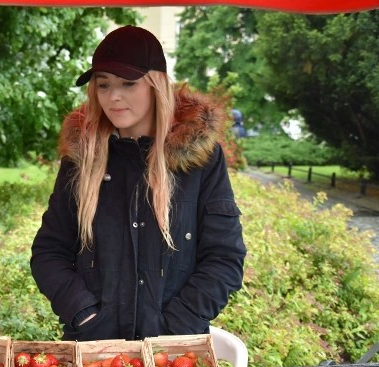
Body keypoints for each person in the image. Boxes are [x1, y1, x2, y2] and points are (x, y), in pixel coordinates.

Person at [30, 25, 247, 341]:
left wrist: (175, 327)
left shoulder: (199, 159)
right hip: (94, 355)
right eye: (103, 85)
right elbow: (49, 251)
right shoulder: (82, 157)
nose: (113, 96)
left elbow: (224, 257)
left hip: (174, 353)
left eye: (128, 83)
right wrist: (83, 313)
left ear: (155, 84)